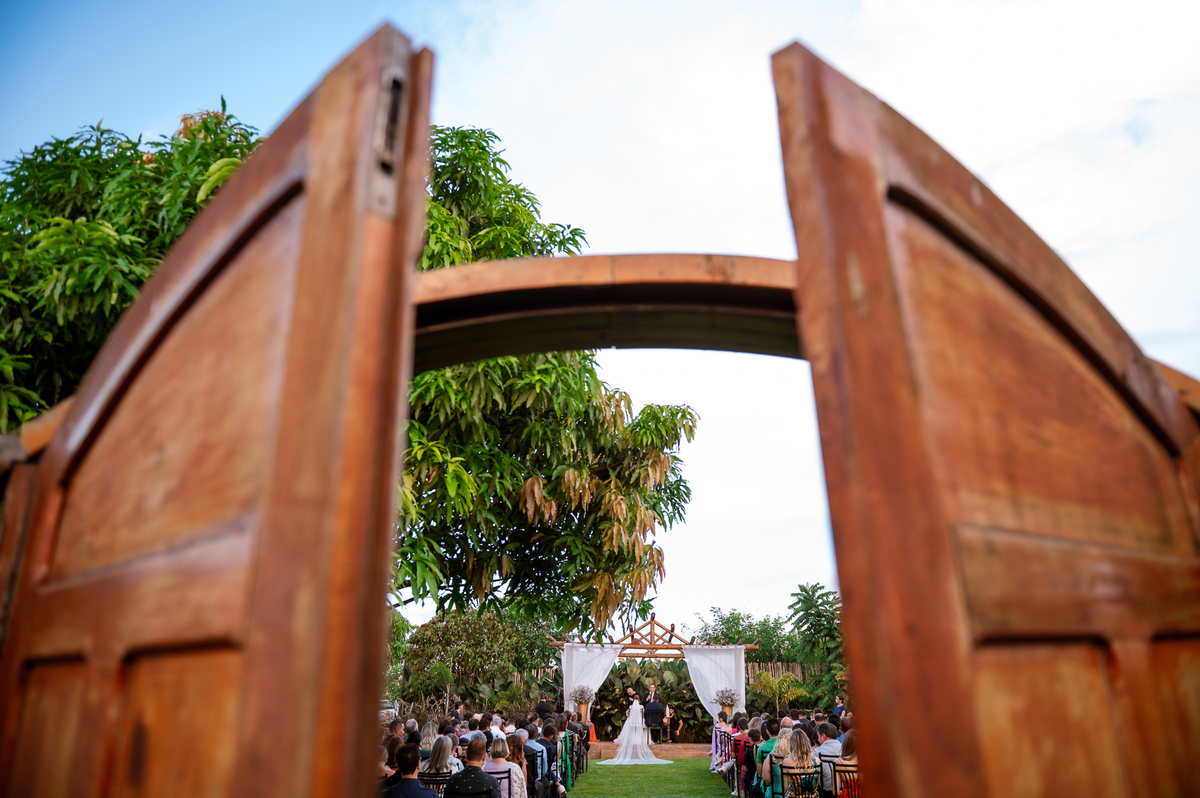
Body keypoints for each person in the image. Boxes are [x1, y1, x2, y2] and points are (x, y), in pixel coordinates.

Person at [598, 695, 671, 766]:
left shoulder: (630, 707)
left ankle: (630, 739)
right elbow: (643, 715)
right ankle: (645, 739)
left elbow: (629, 716)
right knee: (644, 726)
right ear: (639, 700)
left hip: (632, 723)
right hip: (639, 723)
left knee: (627, 724)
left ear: (633, 700)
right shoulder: (642, 707)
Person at [780, 725, 819, 798]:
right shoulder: (817, 761)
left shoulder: (787, 762)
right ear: (807, 742)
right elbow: (815, 785)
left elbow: (785, 786)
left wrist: (792, 790)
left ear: (791, 744)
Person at [812, 722, 843, 798]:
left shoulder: (817, 752)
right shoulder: (845, 750)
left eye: (818, 736)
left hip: (825, 792)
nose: (818, 740)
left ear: (823, 736)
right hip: (843, 790)